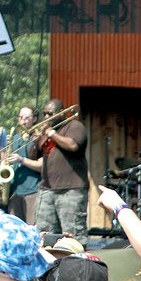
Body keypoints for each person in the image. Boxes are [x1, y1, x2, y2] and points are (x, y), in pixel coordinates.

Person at [27, 98, 88, 244]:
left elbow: (73, 145)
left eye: (50, 113)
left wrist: (51, 133)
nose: (46, 117)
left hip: (70, 190)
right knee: (43, 235)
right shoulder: (45, 132)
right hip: (46, 190)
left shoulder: (74, 126)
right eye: (44, 114)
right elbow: (33, 156)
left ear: (61, 113)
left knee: (73, 236)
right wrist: (35, 141)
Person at [5, 105, 42, 224]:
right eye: (20, 117)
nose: (23, 121)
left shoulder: (38, 138)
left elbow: (41, 166)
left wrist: (21, 159)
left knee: (32, 229)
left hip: (32, 191)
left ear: (35, 119)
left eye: (27, 117)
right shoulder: (14, 138)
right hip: (15, 193)